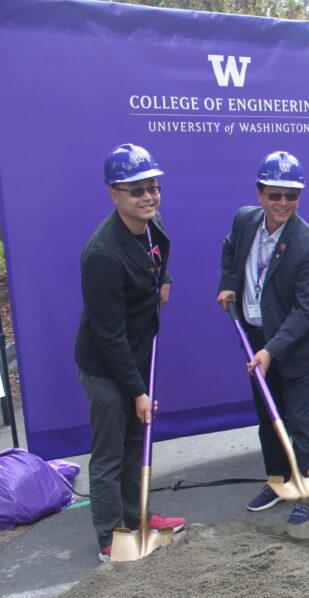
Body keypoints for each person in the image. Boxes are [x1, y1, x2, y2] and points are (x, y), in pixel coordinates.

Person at [76, 143, 185, 561]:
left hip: (137, 354)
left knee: (136, 442)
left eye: (152, 187)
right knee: (109, 451)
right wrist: (137, 390)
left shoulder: (150, 224)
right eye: (136, 190)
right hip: (107, 364)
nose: (148, 197)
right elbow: (109, 337)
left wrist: (164, 278)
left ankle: (137, 516)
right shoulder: (102, 254)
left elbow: (159, 253)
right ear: (114, 194)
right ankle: (110, 538)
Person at [217, 151, 309, 525]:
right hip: (256, 338)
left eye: (291, 196)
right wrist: (228, 284)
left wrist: (271, 350)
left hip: (294, 350)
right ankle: (279, 482)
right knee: (268, 419)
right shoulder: (245, 220)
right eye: (275, 195)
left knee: (298, 423)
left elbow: (305, 311)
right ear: (260, 194)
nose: (283, 203)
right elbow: (230, 248)